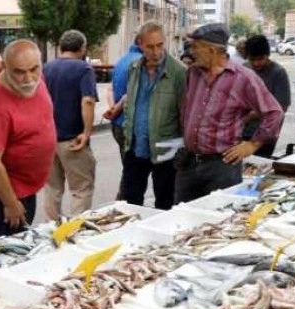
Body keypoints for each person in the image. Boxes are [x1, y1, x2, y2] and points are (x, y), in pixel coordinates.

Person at [174, 24, 283, 204]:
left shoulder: (243, 78)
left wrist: (252, 144)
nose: (192, 52)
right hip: (189, 163)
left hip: (221, 166)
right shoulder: (193, 73)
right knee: (180, 219)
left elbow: (274, 112)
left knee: (217, 220)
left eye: (196, 47)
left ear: (211, 50)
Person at [0, 40, 56, 239]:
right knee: (7, 254)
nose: (28, 78)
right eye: (19, 72)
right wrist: (10, 203)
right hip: (4, 195)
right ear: (5, 67)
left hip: (27, 186)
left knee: (25, 242)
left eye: (34, 69)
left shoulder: (36, 79)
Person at [120, 21, 186, 210]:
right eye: (150, 46)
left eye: (160, 45)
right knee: (131, 202)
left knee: (165, 204)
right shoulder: (133, 68)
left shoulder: (178, 72)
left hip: (165, 150)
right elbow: (130, 101)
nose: (156, 52)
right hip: (135, 147)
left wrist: (182, 148)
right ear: (140, 44)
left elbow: (185, 113)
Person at [42, 30, 97, 221]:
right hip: (72, 138)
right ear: (82, 48)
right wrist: (87, 132)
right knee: (81, 189)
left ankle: (53, 229)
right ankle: (75, 232)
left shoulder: (46, 68)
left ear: (60, 47)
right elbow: (88, 101)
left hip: (48, 139)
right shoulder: (84, 69)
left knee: (52, 188)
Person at [103, 35, 142, 200]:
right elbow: (130, 93)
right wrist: (117, 109)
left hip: (118, 125)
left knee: (128, 167)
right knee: (133, 171)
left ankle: (124, 200)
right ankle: (123, 203)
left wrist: (112, 108)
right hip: (129, 123)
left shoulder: (121, 61)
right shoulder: (140, 62)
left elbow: (110, 89)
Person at [243, 35, 291, 158]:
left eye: (260, 59)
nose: (256, 63)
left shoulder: (278, 73)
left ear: (268, 54)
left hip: (265, 133)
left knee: (257, 165)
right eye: (252, 59)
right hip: (241, 130)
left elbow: (282, 107)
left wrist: (251, 115)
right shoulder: (244, 68)